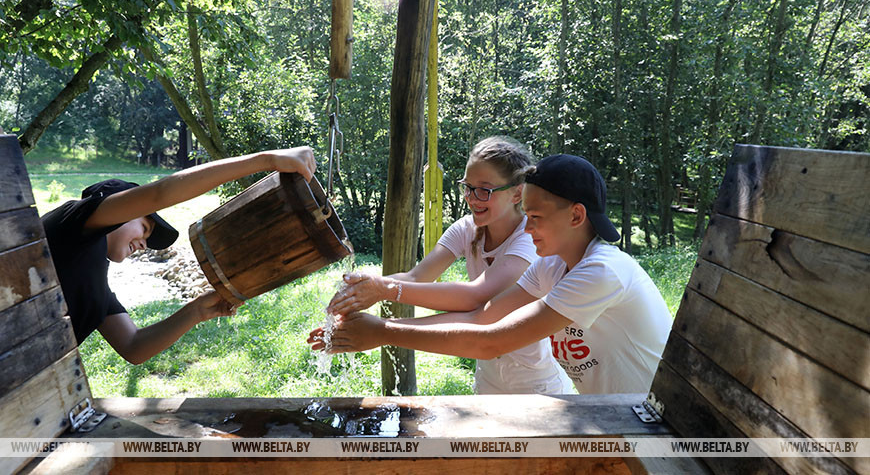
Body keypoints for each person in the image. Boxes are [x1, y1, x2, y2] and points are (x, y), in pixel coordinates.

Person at [310, 154, 672, 394]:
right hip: (616, 416)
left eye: (537, 218)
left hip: (658, 420)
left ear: (576, 216)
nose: (527, 229)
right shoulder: (552, 265)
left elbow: (492, 342)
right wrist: (373, 328)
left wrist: (384, 331)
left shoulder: (602, 271)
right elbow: (483, 319)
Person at [327, 136, 572, 394]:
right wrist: (362, 285)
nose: (472, 198)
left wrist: (383, 298)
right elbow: (416, 277)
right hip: (488, 380)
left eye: (484, 190)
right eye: (468, 187)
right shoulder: (466, 229)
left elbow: (475, 298)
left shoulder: (529, 238)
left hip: (538, 385)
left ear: (517, 193)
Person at [42, 147, 317, 365]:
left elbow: (133, 347)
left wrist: (196, 311)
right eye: (145, 227)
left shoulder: (94, 288)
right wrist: (268, 160)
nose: (145, 245)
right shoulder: (73, 221)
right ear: (118, 206)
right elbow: (160, 193)